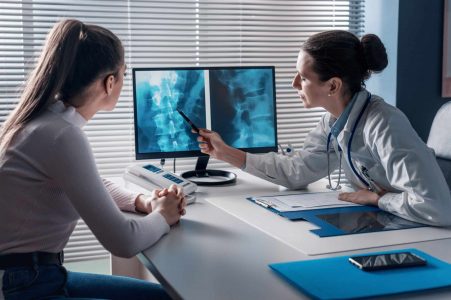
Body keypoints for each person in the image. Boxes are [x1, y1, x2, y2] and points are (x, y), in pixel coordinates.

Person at [0, 19, 186, 299]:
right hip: (25, 285)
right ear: (110, 83)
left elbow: (90, 184)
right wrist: (164, 215)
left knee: (164, 295)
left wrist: (144, 202)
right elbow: (123, 241)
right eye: (124, 73)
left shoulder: (44, 122)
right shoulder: (61, 136)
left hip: (30, 275)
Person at [196, 30, 451, 227]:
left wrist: (378, 199)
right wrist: (225, 153)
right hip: (395, 225)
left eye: (304, 77)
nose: (295, 83)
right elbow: (295, 172)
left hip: (428, 237)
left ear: (332, 86)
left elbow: (436, 207)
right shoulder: (334, 122)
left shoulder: (384, 124)